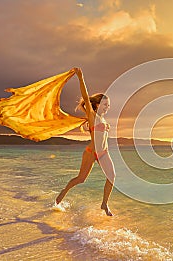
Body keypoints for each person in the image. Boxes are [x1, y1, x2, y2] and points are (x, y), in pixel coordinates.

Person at [56, 67, 115, 216]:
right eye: (105, 105)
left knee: (112, 177)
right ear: (97, 105)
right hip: (91, 153)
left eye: (108, 105)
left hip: (103, 153)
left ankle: (104, 204)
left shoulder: (102, 118)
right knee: (81, 179)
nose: (107, 107)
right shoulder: (92, 115)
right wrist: (80, 77)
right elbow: (85, 95)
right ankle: (64, 191)